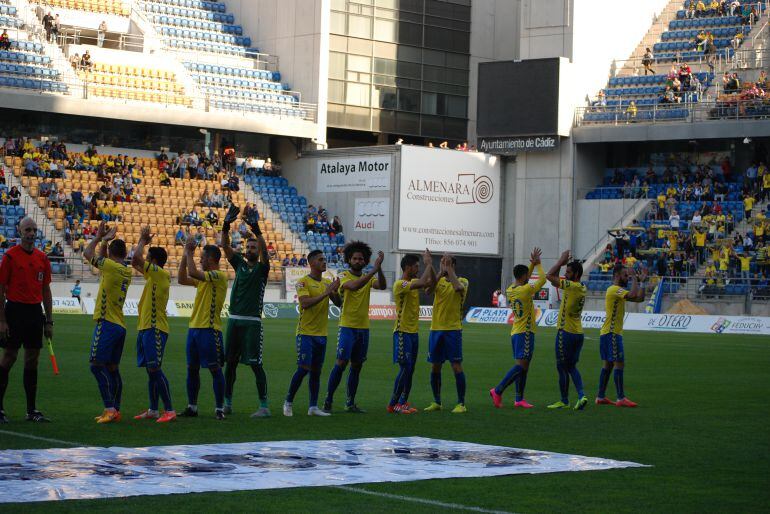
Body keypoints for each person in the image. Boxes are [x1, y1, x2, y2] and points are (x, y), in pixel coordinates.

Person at [0, 217, 54, 424]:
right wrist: (2, 320)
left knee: (32, 359)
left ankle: (31, 410)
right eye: (27, 230)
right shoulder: (10, 256)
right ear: (20, 231)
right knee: (9, 357)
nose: (31, 233)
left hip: (34, 312)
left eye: (33, 230)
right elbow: (1, 288)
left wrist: (49, 321)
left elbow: (46, 290)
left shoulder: (42, 258)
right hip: (14, 311)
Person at [323, 241, 387, 413]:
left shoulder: (370, 277)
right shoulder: (344, 276)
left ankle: (350, 403)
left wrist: (379, 268)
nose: (358, 261)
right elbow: (354, 286)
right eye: (355, 258)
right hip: (347, 327)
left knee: (357, 366)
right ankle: (328, 399)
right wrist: (373, 270)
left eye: (361, 259)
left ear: (365, 261)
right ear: (349, 260)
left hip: (364, 328)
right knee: (341, 363)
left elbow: (382, 286)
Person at [221, 206, 271, 417]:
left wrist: (257, 230)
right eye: (248, 246)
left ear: (258, 251)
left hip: (252, 322)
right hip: (234, 321)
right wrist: (225, 225)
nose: (250, 249)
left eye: (254, 247)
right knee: (230, 364)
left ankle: (264, 406)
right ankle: (227, 402)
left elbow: (266, 253)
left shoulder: (262, 269)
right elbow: (225, 247)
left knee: (255, 365)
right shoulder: (239, 264)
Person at [83, 221, 133, 424]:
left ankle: (110, 408)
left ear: (111, 253)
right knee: (112, 368)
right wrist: (105, 242)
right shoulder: (125, 270)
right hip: (119, 324)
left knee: (96, 365)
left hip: (107, 323)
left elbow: (88, 254)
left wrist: (98, 238)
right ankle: (116, 409)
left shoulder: (110, 266)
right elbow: (104, 259)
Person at [283, 251, 341, 417]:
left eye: (325, 259)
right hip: (306, 333)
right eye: (321, 259)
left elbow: (339, 304)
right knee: (303, 369)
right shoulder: (303, 282)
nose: (325, 262)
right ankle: (288, 402)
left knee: (316, 371)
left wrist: (334, 291)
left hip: (321, 334)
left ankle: (313, 407)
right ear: (312, 263)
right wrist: (326, 292)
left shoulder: (326, 282)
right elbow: (305, 303)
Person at [178, 237, 228, 420]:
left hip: (210, 329)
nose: (200, 260)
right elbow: (182, 278)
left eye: (203, 258)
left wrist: (189, 252)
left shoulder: (218, 276)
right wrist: (186, 254)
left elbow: (192, 272)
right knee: (192, 369)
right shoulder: (204, 279)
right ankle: (192, 407)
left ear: (212, 260)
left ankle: (219, 409)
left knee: (215, 369)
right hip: (194, 329)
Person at [489, 248, 545, 410]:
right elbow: (542, 279)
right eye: (527, 275)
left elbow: (524, 277)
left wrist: (531, 264)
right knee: (521, 366)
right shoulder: (526, 290)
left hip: (516, 332)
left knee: (523, 366)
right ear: (523, 277)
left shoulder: (510, 290)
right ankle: (498, 390)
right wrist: (538, 265)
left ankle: (519, 398)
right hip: (525, 332)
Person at [131, 227, 175, 423]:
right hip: (146, 327)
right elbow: (135, 261)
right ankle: (153, 409)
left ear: (154, 262)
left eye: (149, 258)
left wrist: (142, 240)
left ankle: (170, 410)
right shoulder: (153, 276)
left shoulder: (160, 274)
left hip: (155, 328)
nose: (146, 261)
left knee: (155, 369)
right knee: (151, 370)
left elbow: (137, 258)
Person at [388, 251, 434, 414]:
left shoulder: (414, 281)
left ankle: (403, 401)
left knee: (411, 368)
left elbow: (431, 283)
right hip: (402, 332)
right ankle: (393, 404)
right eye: (416, 266)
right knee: (405, 367)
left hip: (413, 333)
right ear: (407, 267)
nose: (418, 268)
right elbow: (423, 282)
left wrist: (437, 268)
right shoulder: (400, 284)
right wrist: (428, 264)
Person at [596, 265, 647, 407]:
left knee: (608, 365)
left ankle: (600, 396)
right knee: (619, 363)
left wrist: (642, 282)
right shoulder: (614, 289)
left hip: (607, 333)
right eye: (625, 275)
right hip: (612, 333)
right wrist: (634, 279)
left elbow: (639, 298)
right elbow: (632, 295)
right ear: (617, 276)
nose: (627, 278)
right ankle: (620, 398)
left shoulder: (617, 292)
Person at [424, 254, 469, 414]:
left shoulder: (463, 281)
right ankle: (437, 401)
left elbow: (458, 288)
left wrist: (449, 270)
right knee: (435, 366)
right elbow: (428, 290)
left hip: (453, 330)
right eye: (442, 262)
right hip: (435, 329)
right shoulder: (439, 281)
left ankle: (461, 403)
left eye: (447, 263)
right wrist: (439, 272)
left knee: (456, 366)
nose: (443, 265)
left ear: (453, 265)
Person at [544, 251, 588, 410]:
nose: (565, 274)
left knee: (561, 367)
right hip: (578, 333)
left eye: (568, 272)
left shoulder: (572, 286)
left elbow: (549, 276)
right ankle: (582, 395)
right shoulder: (582, 287)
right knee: (571, 367)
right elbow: (555, 279)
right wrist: (562, 266)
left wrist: (560, 260)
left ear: (576, 274)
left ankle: (564, 400)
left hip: (566, 332)